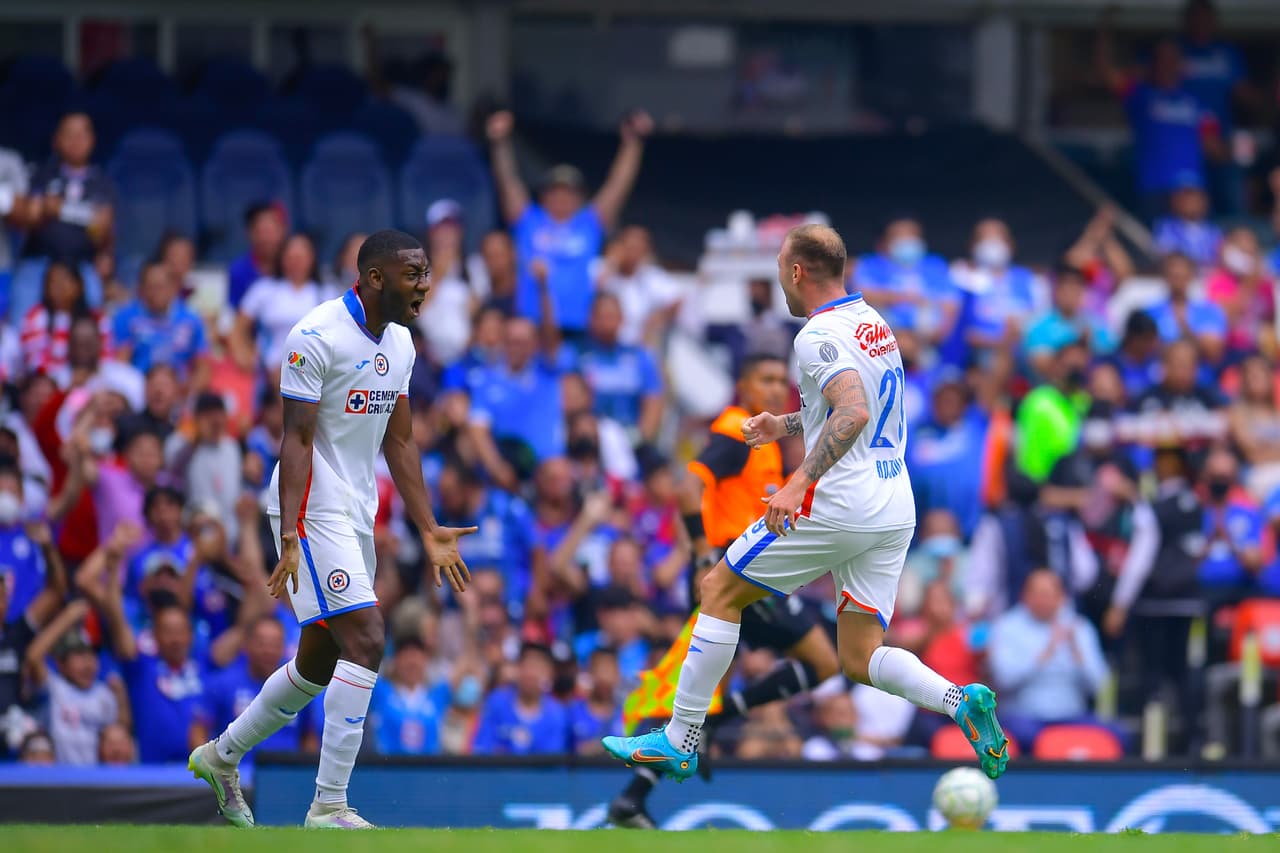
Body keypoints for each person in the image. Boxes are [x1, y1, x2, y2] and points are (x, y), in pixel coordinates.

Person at [600, 225, 1009, 789]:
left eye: (778, 266)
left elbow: (853, 412)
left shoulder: (814, 335)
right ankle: (958, 700)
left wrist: (797, 482)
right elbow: (855, 406)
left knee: (719, 590)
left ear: (797, 272)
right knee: (860, 657)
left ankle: (679, 738)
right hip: (894, 504)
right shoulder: (874, 324)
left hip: (842, 502)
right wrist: (786, 424)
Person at [187, 230, 475, 829]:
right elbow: (295, 441)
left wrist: (427, 527)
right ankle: (329, 805)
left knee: (319, 660)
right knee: (368, 638)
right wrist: (291, 533)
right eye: (413, 274)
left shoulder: (400, 343)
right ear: (375, 278)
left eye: (425, 274)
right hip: (311, 506)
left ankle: (221, 756)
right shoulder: (314, 337)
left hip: (355, 509)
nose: (425, 285)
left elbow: (399, 439)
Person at [487, 109, 652, 339]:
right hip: (531, 327)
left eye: (569, 193)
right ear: (543, 196)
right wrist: (499, 143)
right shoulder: (528, 220)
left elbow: (618, 185)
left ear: (580, 199)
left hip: (578, 327)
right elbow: (508, 181)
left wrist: (633, 144)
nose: (562, 198)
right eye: (555, 192)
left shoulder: (589, 224)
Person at [987, 569, 1112, 750]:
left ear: (1062, 597)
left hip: (1071, 717)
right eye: (1037, 594)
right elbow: (1003, 680)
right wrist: (1044, 655)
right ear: (1025, 596)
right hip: (1023, 717)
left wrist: (1078, 654)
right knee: (1027, 737)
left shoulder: (1079, 627)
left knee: (1115, 736)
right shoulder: (1006, 626)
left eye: (1048, 594)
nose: (1042, 600)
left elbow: (1100, 684)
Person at [11, 112, 114, 324]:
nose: (76, 141)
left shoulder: (102, 184)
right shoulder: (40, 174)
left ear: (92, 140)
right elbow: (25, 217)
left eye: (81, 134)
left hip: (81, 266)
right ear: (56, 140)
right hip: (39, 262)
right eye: (69, 134)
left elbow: (104, 234)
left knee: (92, 309)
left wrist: (99, 231)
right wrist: (40, 211)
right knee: (22, 310)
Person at [203, 616, 315, 762]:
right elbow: (200, 729)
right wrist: (210, 768)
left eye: (275, 645)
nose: (268, 651)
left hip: (286, 776)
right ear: (246, 645)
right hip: (236, 776)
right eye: (262, 644)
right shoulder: (222, 683)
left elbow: (309, 736)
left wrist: (306, 770)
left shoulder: (297, 686)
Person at [232, 233, 333, 374]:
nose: (296, 263)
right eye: (291, 257)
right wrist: (243, 353)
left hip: (314, 368)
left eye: (301, 258)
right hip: (270, 367)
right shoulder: (264, 289)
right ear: (282, 258)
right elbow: (238, 327)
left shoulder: (325, 293)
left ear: (312, 259)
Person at [574, 292, 665, 444]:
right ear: (591, 318)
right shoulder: (577, 356)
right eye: (601, 316)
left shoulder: (640, 357)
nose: (606, 322)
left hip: (631, 437)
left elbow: (653, 401)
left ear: (622, 319)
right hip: (590, 441)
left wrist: (641, 439)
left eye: (611, 316)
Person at [853, 218, 958, 349]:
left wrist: (936, 335)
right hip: (882, 342)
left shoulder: (935, 265)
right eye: (899, 236)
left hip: (927, 343)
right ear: (884, 242)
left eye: (911, 235)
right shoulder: (870, 264)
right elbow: (862, 295)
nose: (906, 240)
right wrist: (904, 298)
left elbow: (950, 304)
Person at [111, 261, 209, 385]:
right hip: (140, 389)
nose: (154, 293)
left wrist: (188, 394)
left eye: (159, 287)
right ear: (141, 289)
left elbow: (203, 367)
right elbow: (121, 365)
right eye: (150, 287)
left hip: (179, 391)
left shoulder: (191, 320)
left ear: (173, 288)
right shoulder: (126, 318)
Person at [471, 643, 569, 755]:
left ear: (549, 673)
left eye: (537, 667)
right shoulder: (496, 702)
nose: (530, 674)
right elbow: (482, 749)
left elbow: (553, 763)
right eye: (527, 665)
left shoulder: (557, 715)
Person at [1024, 264, 1115, 380]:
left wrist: (1089, 347)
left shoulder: (1094, 323)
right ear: (1057, 291)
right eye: (1066, 288)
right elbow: (1039, 364)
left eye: (1076, 288)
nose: (1070, 294)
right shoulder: (1039, 325)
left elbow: (1112, 354)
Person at [1144, 251, 1227, 366]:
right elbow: (1144, 350)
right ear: (1165, 276)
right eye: (1173, 275)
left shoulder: (1210, 311)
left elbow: (1214, 353)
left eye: (1181, 275)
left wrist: (1184, 327)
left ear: (1191, 275)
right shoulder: (1149, 313)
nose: (1177, 279)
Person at [1206, 227, 1276, 359]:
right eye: (1241, 251)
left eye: (1251, 251)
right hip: (1229, 351)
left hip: (1259, 351)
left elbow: (1270, 320)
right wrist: (1250, 283)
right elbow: (1225, 319)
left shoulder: (1265, 283)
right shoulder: (1218, 280)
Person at [226, 203, 286, 310]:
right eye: (261, 232)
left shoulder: (292, 267)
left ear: (281, 231)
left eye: (270, 231)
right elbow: (233, 313)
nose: (266, 239)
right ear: (250, 233)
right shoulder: (239, 271)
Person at [1154, 180, 1222, 267]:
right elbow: (1164, 253)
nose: (1191, 204)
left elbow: (1219, 256)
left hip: (1209, 276)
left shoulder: (1214, 230)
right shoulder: (1166, 227)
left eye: (1195, 200)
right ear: (1175, 202)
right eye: (1186, 200)